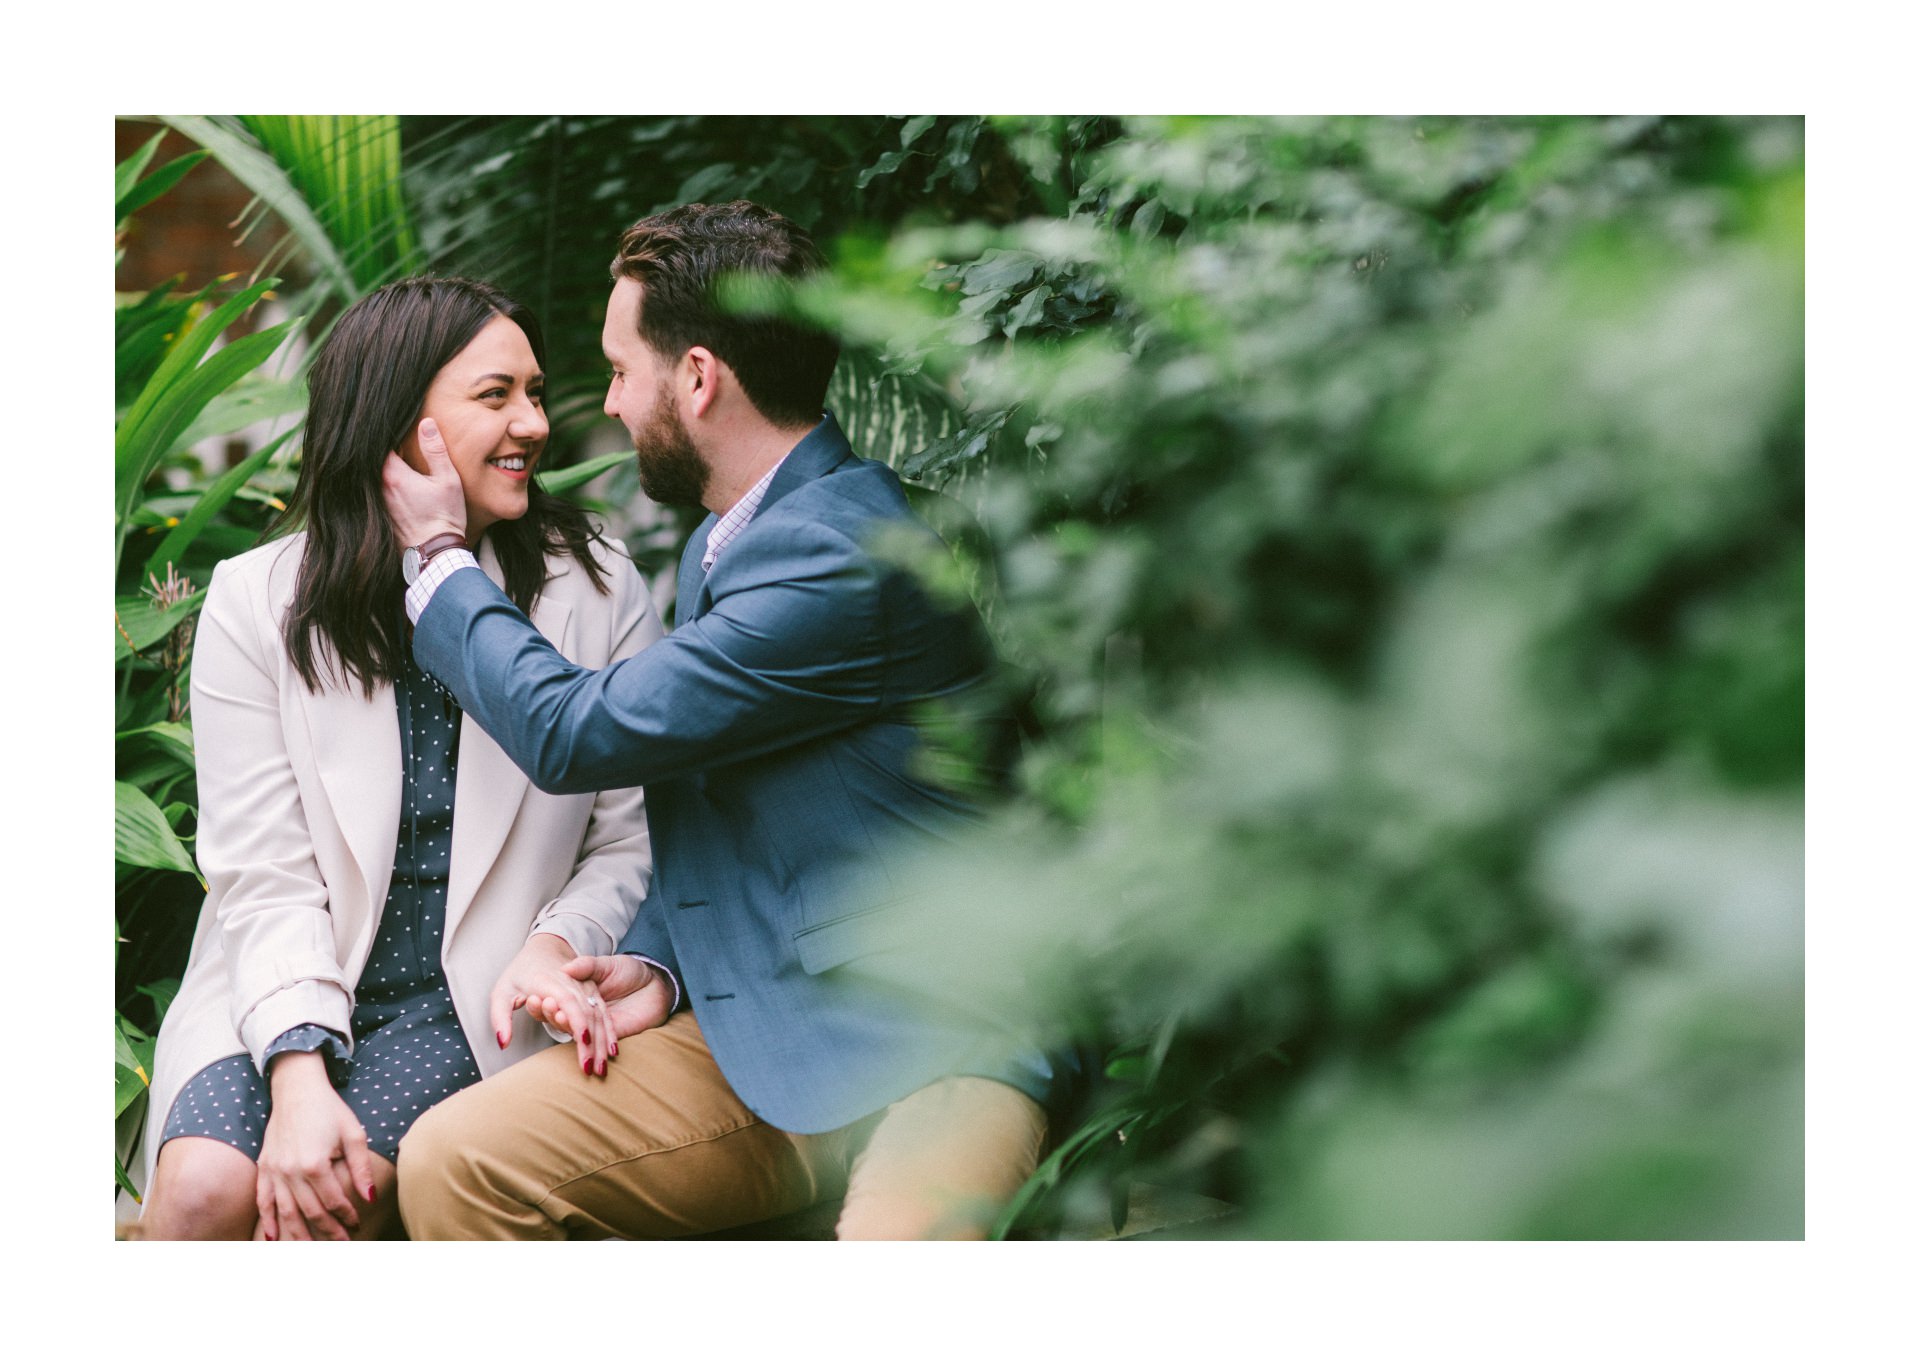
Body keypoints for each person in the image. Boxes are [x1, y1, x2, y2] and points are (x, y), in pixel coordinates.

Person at [383, 200, 1066, 1240]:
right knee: (456, 1160)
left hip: (943, 1037)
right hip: (766, 1038)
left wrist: (437, 564)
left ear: (697, 379)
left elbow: (578, 734)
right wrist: (654, 961)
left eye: (620, 372)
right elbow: (739, 808)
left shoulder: (838, 554)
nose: (606, 405)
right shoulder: (736, 539)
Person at [136, 276, 663, 1240]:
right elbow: (261, 873)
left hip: (468, 996)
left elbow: (630, 842)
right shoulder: (254, 600)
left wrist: (561, 943)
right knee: (203, 1192)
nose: (536, 423)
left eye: (535, 393)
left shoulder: (596, 584)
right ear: (396, 419)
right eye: (496, 395)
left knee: (330, 1202)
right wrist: (297, 1072)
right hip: (288, 971)